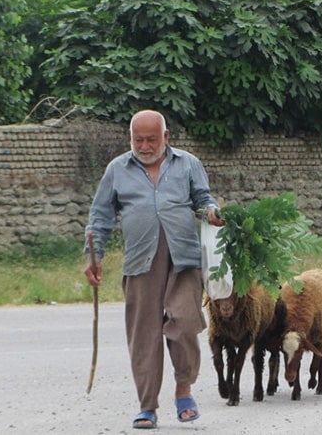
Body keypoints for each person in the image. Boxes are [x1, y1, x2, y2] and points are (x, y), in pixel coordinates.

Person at [83, 109, 224, 429]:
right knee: (143, 334)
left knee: (185, 322)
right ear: (130, 139)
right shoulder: (117, 169)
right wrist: (94, 257)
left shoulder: (188, 163)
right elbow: (100, 217)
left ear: (166, 137)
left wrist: (211, 211)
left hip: (185, 259)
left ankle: (184, 390)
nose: (145, 146)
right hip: (140, 261)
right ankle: (147, 406)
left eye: (151, 139)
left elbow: (203, 198)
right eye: (138, 140)